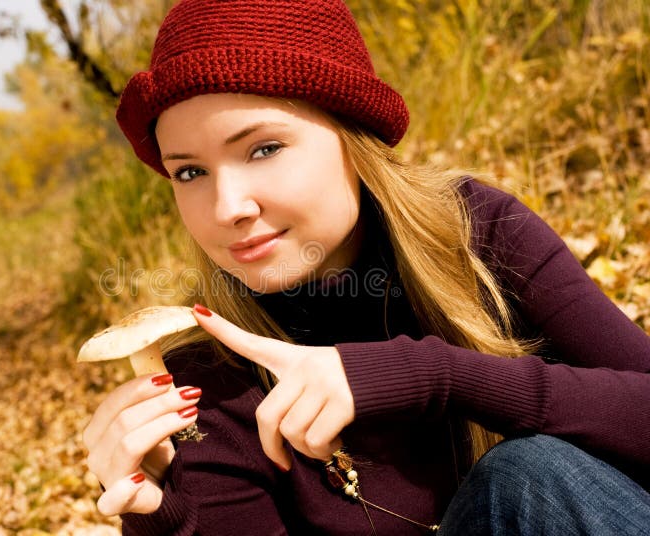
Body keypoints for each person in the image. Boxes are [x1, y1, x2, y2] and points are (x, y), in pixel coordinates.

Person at [81, 1, 650, 534]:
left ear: (353, 136)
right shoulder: (209, 378)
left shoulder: (477, 233)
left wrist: (433, 375)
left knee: (530, 479)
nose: (228, 208)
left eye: (263, 149)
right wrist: (165, 517)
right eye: (189, 172)